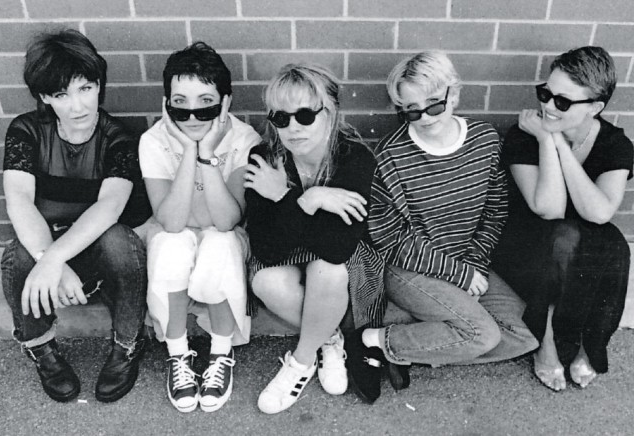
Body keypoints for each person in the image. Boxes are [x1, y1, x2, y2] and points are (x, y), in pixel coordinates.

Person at [348, 51, 538, 403]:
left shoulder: (484, 140)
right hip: (410, 268)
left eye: (434, 104)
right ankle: (369, 340)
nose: (425, 117)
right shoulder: (390, 155)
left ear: (455, 94)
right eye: (412, 110)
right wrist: (458, 275)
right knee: (484, 335)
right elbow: (391, 238)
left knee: (524, 336)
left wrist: (474, 265)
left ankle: (410, 346)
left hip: (467, 260)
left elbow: (495, 211)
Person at [0, 29, 150, 403]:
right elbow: (19, 200)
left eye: (86, 88)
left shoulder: (118, 139)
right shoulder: (26, 130)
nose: (77, 106)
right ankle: (41, 349)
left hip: (97, 251)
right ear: (44, 97)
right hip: (46, 244)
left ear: (99, 85)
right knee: (17, 254)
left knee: (121, 240)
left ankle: (128, 345)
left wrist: (54, 259)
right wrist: (48, 258)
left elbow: (109, 206)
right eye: (61, 95)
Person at [244, 63, 384, 414]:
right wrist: (308, 201)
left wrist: (286, 198)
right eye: (281, 118)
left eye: (305, 115)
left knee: (328, 269)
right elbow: (267, 249)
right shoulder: (264, 159)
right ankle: (328, 339)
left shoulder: (354, 158)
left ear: (330, 112)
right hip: (288, 250)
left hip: (344, 260)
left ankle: (301, 361)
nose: (293, 128)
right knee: (265, 280)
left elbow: (336, 248)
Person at [492, 46, 632, 391]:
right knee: (564, 236)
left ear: (595, 107)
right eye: (545, 94)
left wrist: (558, 143)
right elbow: (549, 208)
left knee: (616, 245)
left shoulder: (614, 144)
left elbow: (599, 212)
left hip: (580, 239)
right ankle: (548, 344)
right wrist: (544, 139)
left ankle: (591, 345)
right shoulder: (524, 136)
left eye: (563, 102)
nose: (549, 107)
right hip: (526, 243)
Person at [138, 42, 261, 413]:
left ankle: (221, 353)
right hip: (175, 233)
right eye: (180, 103)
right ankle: (178, 355)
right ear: (167, 104)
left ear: (225, 102)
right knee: (171, 242)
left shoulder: (243, 139)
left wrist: (206, 154)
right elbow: (171, 220)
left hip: (224, 236)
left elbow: (226, 219)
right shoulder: (154, 140)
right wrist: (188, 150)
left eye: (205, 103)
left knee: (219, 242)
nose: (192, 115)